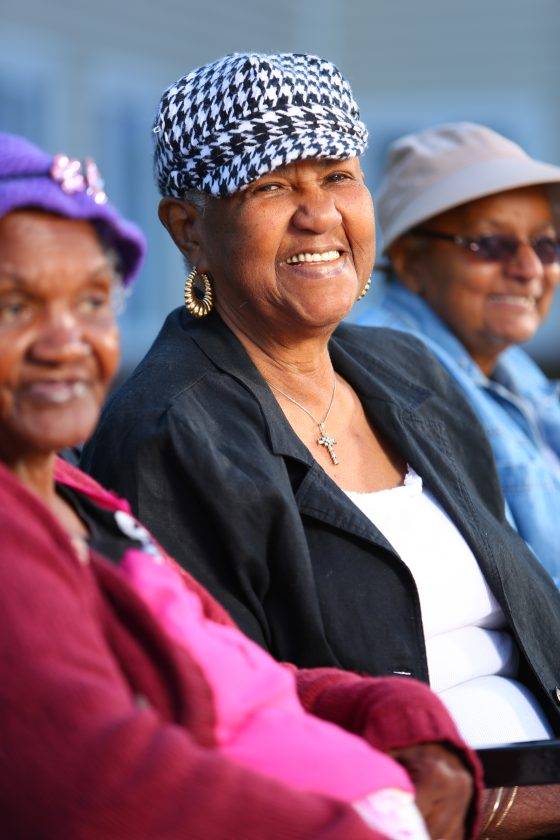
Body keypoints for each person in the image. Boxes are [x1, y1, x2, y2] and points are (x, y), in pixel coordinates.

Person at [82, 54, 560, 837]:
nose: (318, 216)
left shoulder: (406, 371)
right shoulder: (172, 432)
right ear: (189, 229)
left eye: (337, 175)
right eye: (271, 186)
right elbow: (241, 733)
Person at [0, 130, 483, 840]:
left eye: (94, 301)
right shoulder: (166, 431)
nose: (66, 341)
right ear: (190, 230)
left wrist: (390, 714)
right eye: (15, 308)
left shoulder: (72, 496)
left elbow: (221, 670)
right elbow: (100, 784)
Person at [359, 122, 560, 587]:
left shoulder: (505, 364)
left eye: (546, 245)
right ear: (409, 261)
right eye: (490, 245)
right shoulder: (394, 376)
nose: (530, 270)